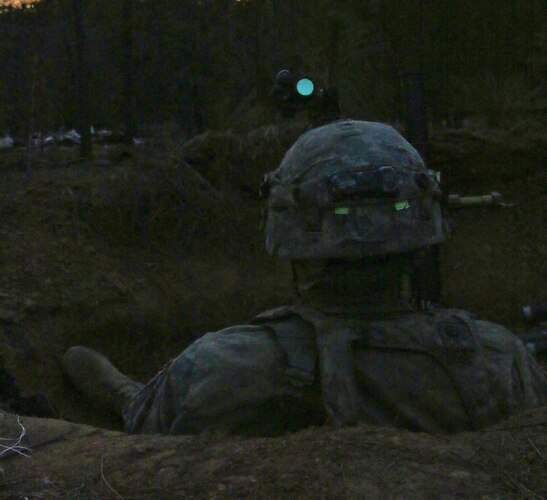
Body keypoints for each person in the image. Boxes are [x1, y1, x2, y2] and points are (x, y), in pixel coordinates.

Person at [63, 120, 547, 435]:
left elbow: (141, 423)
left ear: (290, 233)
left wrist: (113, 385)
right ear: (423, 231)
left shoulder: (216, 367)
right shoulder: (500, 363)